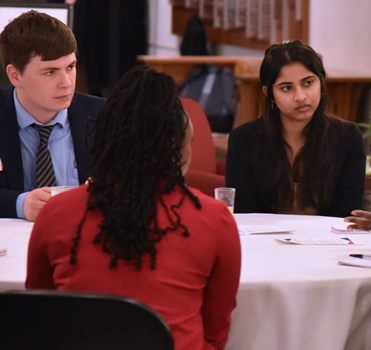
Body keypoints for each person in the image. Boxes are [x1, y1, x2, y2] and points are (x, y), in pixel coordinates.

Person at [26, 66, 242, 350]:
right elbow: (215, 334)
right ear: (176, 144)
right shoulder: (214, 220)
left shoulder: (56, 213)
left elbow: (39, 317)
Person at [226, 39, 365, 217]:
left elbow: (347, 215)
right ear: (269, 94)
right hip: (261, 242)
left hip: (328, 242)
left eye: (308, 83)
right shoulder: (244, 139)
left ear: (321, 83)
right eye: (286, 88)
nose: (300, 96)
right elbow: (244, 216)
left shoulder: (348, 138)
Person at [0, 10, 105, 221]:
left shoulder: (105, 116)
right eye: (50, 72)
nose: (66, 83)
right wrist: (21, 204)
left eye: (70, 67)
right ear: (15, 75)